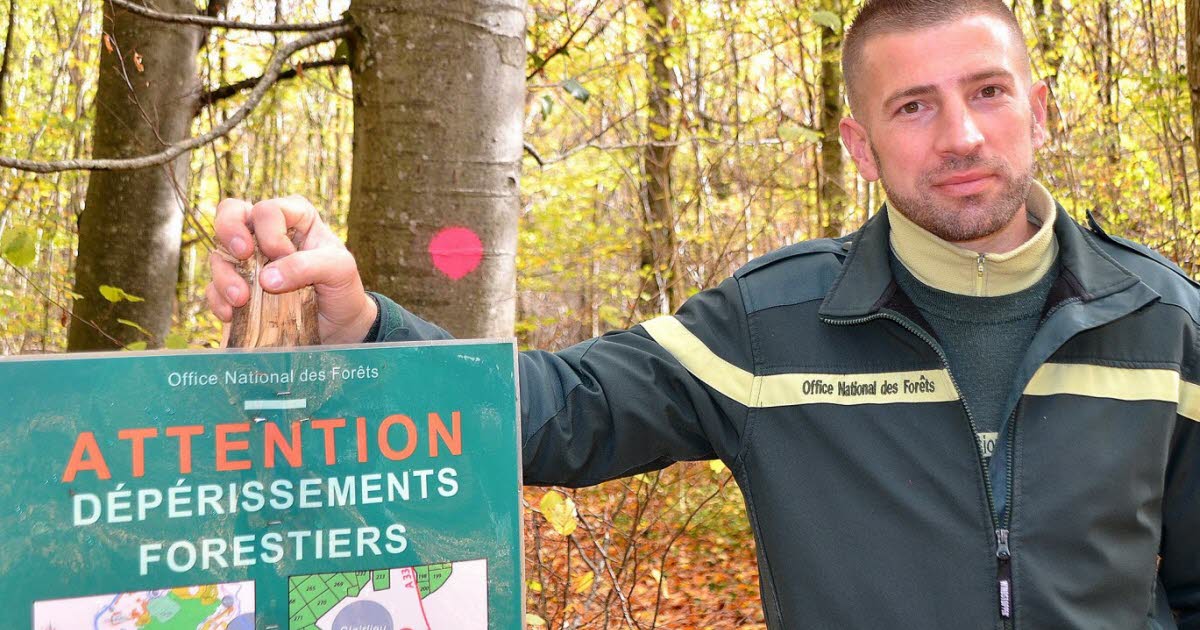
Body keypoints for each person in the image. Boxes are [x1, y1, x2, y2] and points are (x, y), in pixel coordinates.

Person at [208, 0, 1200, 626]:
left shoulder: (1166, 322)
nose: (962, 135)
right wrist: (359, 327)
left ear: (1038, 108)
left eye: (988, 92)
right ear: (860, 147)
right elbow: (560, 408)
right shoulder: (775, 326)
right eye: (913, 106)